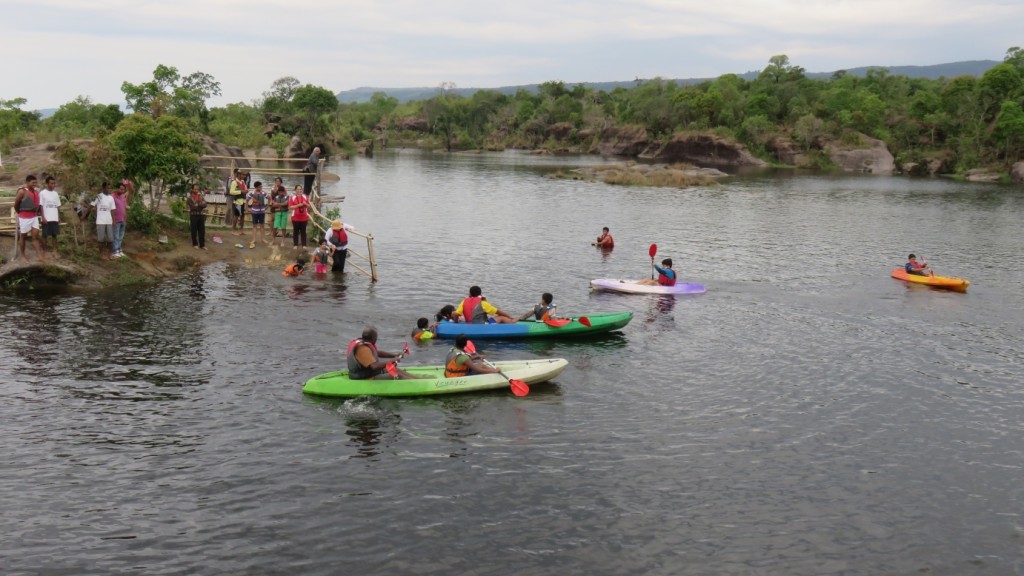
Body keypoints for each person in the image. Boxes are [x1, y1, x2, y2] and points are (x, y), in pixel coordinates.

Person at [347, 326, 425, 380]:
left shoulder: (363, 343)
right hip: (365, 378)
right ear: (373, 338)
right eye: (376, 337)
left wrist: (394, 355)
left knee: (395, 369)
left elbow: (377, 353)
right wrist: (393, 360)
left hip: (368, 373)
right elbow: (374, 366)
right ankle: (419, 384)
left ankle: (420, 380)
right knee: (397, 374)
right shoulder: (363, 349)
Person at [13, 175, 44, 263]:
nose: (34, 184)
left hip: (34, 217)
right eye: (33, 182)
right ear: (27, 182)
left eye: (35, 182)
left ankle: (38, 255)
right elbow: (16, 205)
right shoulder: (22, 192)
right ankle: (23, 256)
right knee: (23, 236)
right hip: (24, 217)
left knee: (35, 236)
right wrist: (20, 213)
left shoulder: (36, 192)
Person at [91, 182, 116, 259]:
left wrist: (114, 221)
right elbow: (91, 205)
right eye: (107, 188)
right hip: (100, 221)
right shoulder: (99, 196)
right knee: (101, 239)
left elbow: (112, 210)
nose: (108, 189)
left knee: (110, 239)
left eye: (109, 188)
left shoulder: (111, 198)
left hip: (109, 221)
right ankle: (101, 254)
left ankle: (110, 254)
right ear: (103, 188)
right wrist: (84, 216)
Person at [39, 176, 62, 258]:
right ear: (47, 184)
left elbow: (58, 206)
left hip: (54, 218)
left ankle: (54, 251)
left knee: (54, 235)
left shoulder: (56, 194)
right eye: (51, 183)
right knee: (44, 235)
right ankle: (43, 252)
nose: (53, 185)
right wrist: (43, 217)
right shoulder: (42, 193)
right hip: (46, 218)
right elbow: (41, 206)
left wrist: (58, 217)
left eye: (54, 183)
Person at [111, 179, 133, 258]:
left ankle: (119, 249)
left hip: (123, 219)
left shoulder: (123, 196)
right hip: (116, 220)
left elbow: (131, 191)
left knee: (120, 236)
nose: (122, 190)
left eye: (123, 189)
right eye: (120, 189)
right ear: (117, 188)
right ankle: (114, 251)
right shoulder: (112, 196)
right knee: (116, 236)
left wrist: (128, 184)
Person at [247, 181, 269, 245]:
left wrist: (267, 206)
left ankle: (263, 239)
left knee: (262, 226)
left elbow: (269, 198)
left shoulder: (264, 193)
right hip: (254, 212)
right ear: (256, 187)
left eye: (261, 186)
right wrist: (247, 208)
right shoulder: (252, 193)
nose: (261, 188)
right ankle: (254, 239)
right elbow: (247, 199)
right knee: (254, 226)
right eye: (259, 187)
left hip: (262, 211)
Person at [186, 184, 208, 249]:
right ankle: (195, 244)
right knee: (194, 230)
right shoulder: (189, 198)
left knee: (202, 230)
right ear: (192, 189)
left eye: (197, 189)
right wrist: (200, 205)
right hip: (193, 216)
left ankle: (202, 245)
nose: (196, 190)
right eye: (195, 189)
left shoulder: (201, 196)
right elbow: (193, 208)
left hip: (201, 215)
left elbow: (205, 205)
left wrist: (197, 204)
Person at [270, 177, 289, 246]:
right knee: (275, 227)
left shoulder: (286, 197)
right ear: (278, 192)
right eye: (279, 192)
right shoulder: (276, 197)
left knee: (283, 227)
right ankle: (273, 240)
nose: (281, 193)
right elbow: (273, 205)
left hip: (284, 213)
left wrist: (278, 204)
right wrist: (281, 204)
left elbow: (286, 203)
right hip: (278, 212)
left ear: (284, 192)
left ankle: (283, 240)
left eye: (282, 192)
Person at [229, 170, 247, 235]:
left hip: (243, 201)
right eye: (242, 175)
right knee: (236, 216)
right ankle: (233, 230)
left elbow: (245, 189)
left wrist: (246, 191)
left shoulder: (243, 182)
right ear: (238, 175)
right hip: (237, 202)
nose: (244, 176)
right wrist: (241, 192)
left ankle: (241, 230)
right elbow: (231, 192)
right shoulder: (234, 182)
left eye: (244, 175)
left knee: (242, 216)